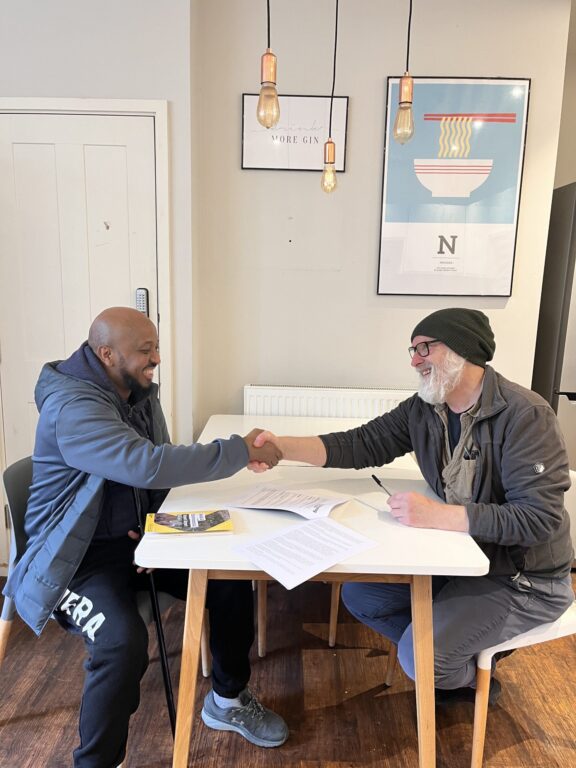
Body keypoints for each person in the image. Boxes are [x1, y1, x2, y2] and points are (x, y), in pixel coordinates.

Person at [3, 306, 288, 768]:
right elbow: (148, 464)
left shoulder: (136, 390)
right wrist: (238, 450)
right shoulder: (73, 407)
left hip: (136, 541)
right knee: (121, 643)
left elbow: (157, 466)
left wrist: (159, 531)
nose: (156, 358)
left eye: (156, 347)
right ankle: (95, 762)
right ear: (106, 353)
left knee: (228, 579)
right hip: (74, 562)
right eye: (145, 350)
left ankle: (228, 701)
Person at [252, 307, 575, 703]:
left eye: (424, 348)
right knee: (361, 595)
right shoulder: (425, 408)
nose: (414, 360)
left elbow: (538, 519)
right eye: (412, 350)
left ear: (461, 349)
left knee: (420, 658)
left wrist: (438, 515)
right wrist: (280, 447)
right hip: (462, 560)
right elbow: (360, 443)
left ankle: (462, 675)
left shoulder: (525, 415)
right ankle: (448, 657)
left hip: (523, 578)